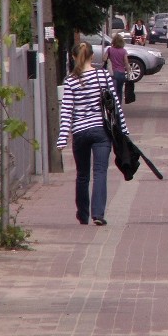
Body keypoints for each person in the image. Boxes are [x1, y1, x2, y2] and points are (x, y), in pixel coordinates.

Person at [57, 42, 129, 226]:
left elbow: (67, 111)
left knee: (82, 175)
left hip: (80, 133)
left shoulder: (70, 81)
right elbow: (115, 105)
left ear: (73, 57)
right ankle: (98, 214)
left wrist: (63, 137)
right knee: (100, 172)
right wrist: (124, 131)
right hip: (100, 132)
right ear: (92, 56)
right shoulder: (103, 75)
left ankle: (82, 215)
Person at [102, 33, 132, 102]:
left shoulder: (110, 49)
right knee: (119, 91)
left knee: (113, 91)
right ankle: (119, 106)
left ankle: (113, 106)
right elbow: (126, 63)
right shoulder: (124, 51)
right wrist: (128, 73)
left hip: (113, 73)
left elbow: (104, 59)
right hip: (121, 73)